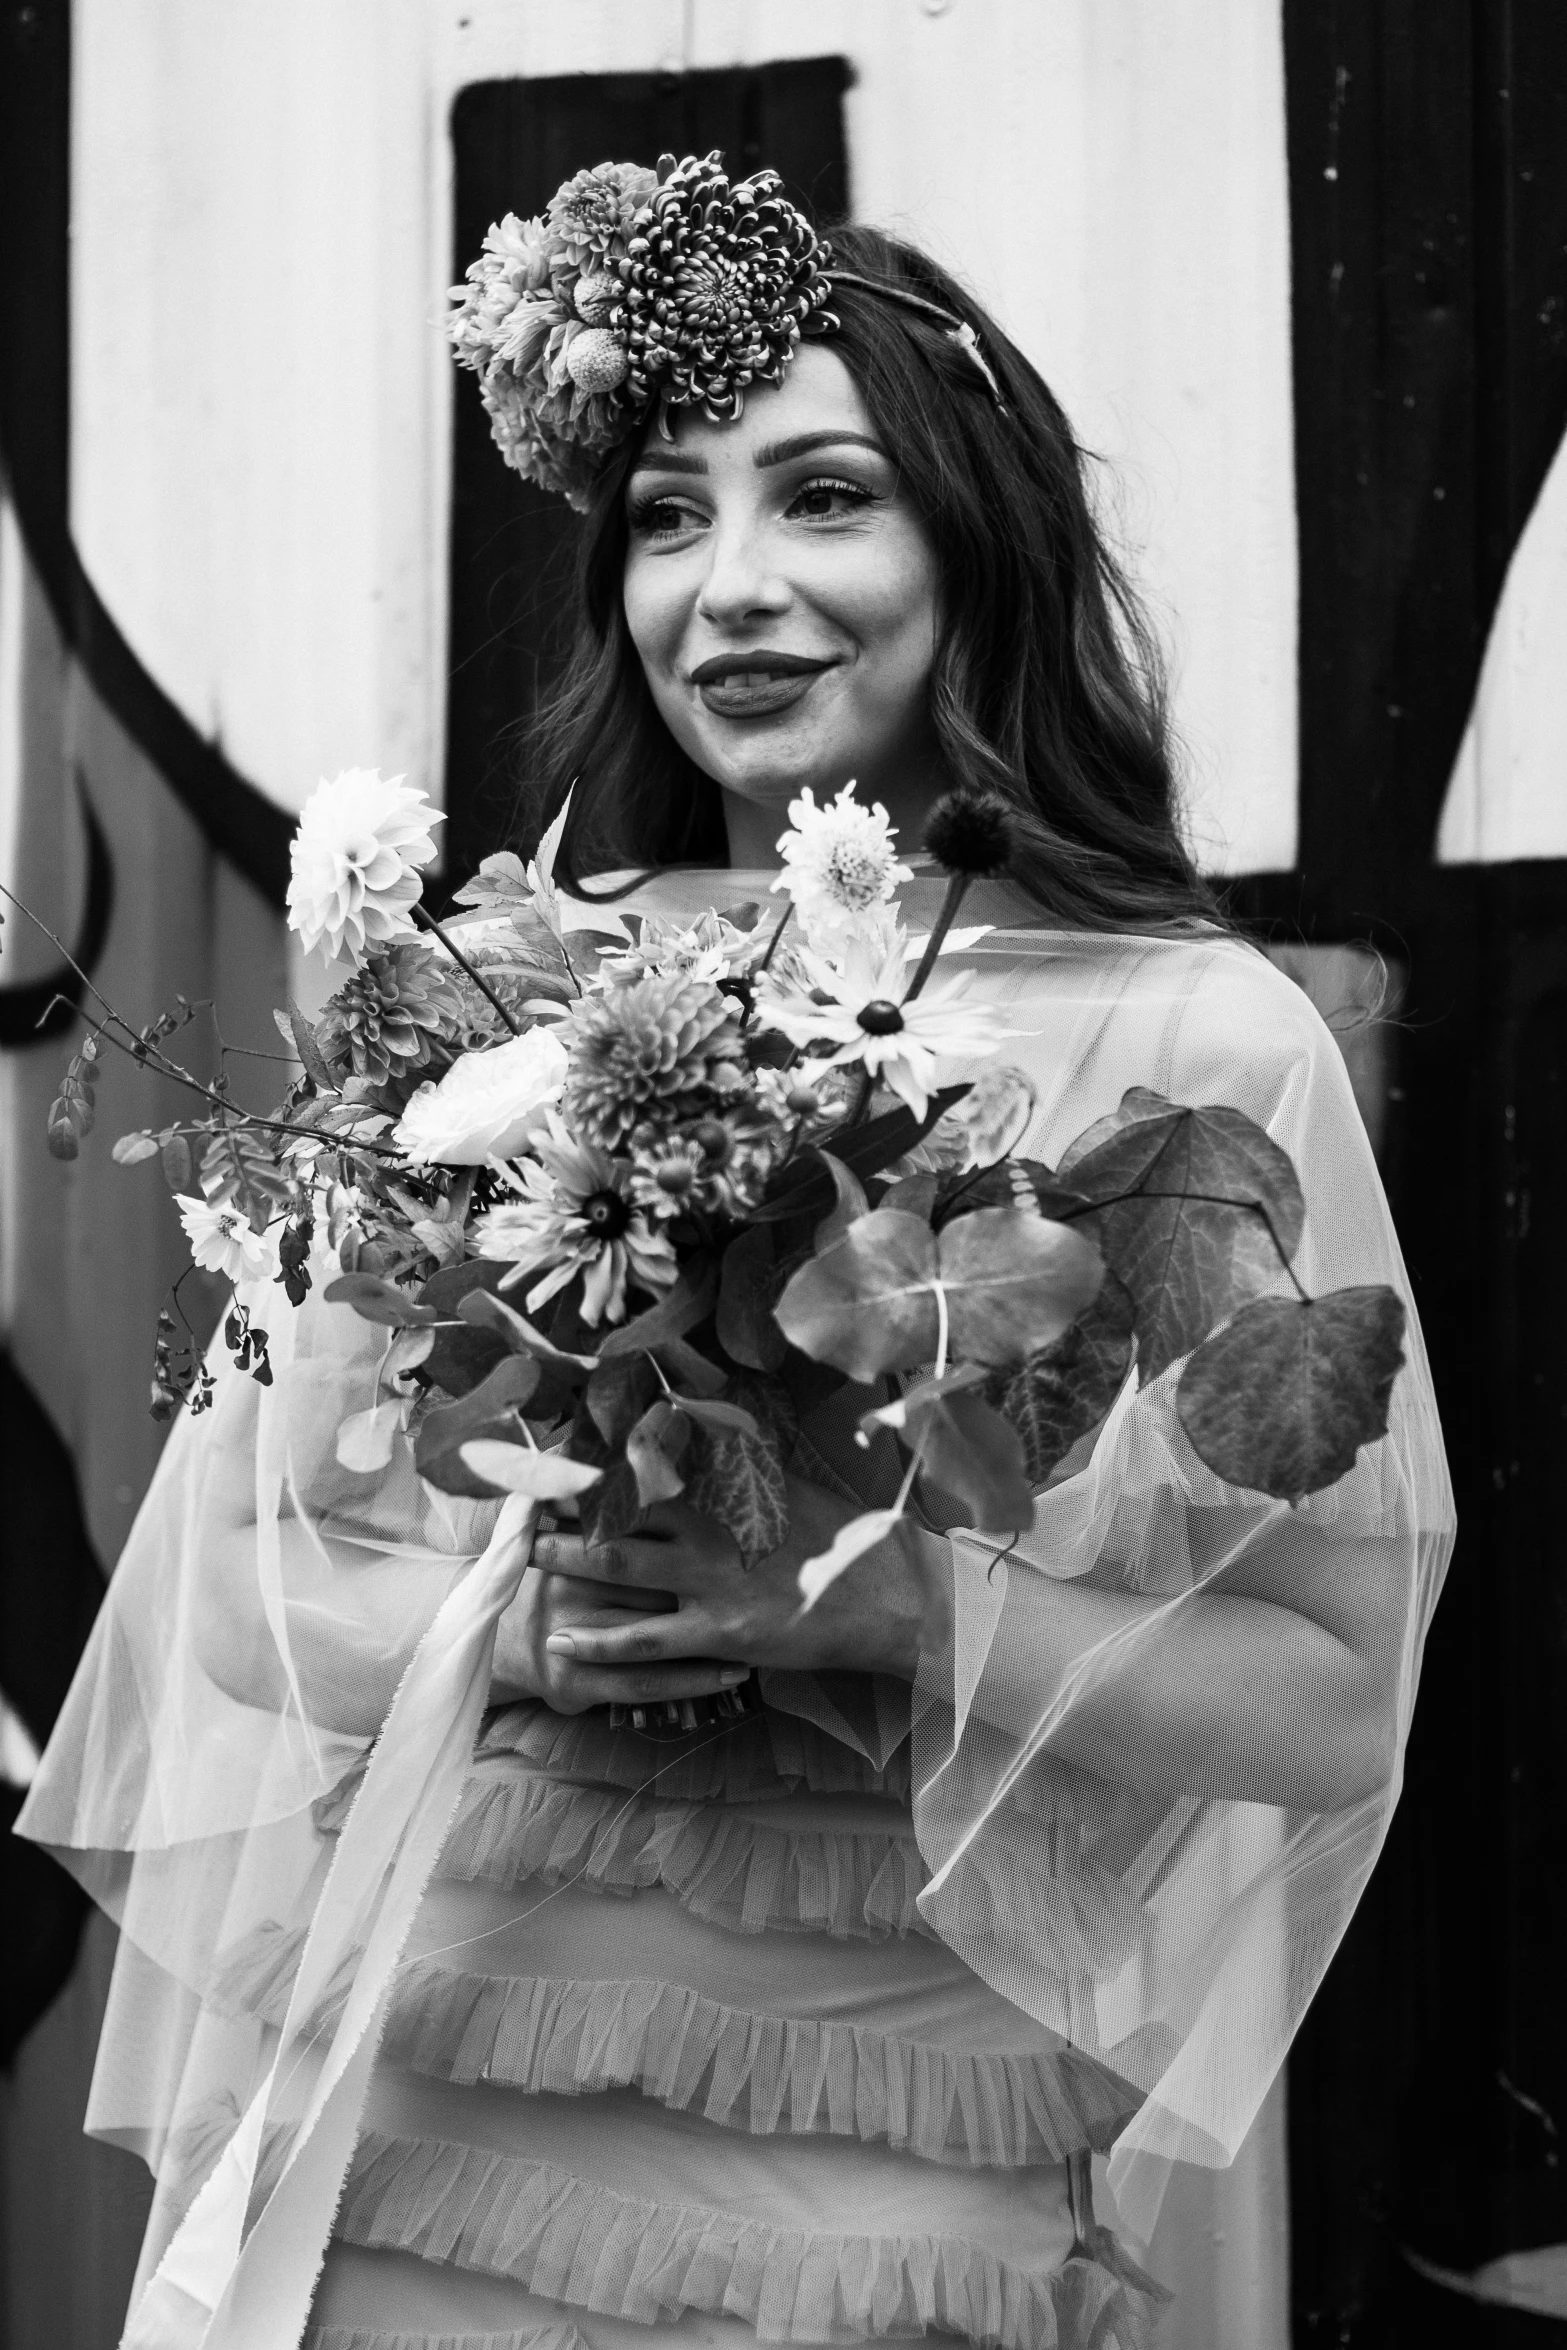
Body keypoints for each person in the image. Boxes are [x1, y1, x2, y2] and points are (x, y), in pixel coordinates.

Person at [19, 157, 1453, 2350]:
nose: (735, 585)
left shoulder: (1197, 1040)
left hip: (892, 2144)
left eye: (826, 495)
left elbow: (1336, 1696)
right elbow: (233, 1579)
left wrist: (902, 1602)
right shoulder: (494, 985)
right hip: (431, 2089)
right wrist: (505, 1631)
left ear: (978, 541)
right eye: (671, 515)